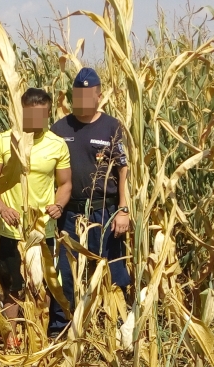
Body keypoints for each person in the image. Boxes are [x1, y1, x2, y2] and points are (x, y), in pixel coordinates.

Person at [0, 88, 72, 348]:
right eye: (31, 115)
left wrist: (59, 204)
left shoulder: (57, 144)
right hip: (11, 230)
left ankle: (37, 341)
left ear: (47, 114)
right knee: (12, 288)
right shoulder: (3, 141)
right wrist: (2, 208)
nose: (36, 121)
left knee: (41, 288)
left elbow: (65, 184)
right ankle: (10, 341)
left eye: (41, 116)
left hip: (42, 230)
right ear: (20, 111)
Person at [48, 67, 131, 336]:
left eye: (88, 95)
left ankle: (116, 329)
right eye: (77, 95)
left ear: (99, 96)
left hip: (104, 213)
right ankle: (62, 330)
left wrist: (123, 210)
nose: (82, 100)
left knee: (112, 270)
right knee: (65, 274)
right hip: (70, 215)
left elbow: (123, 171)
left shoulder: (112, 126)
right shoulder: (59, 128)